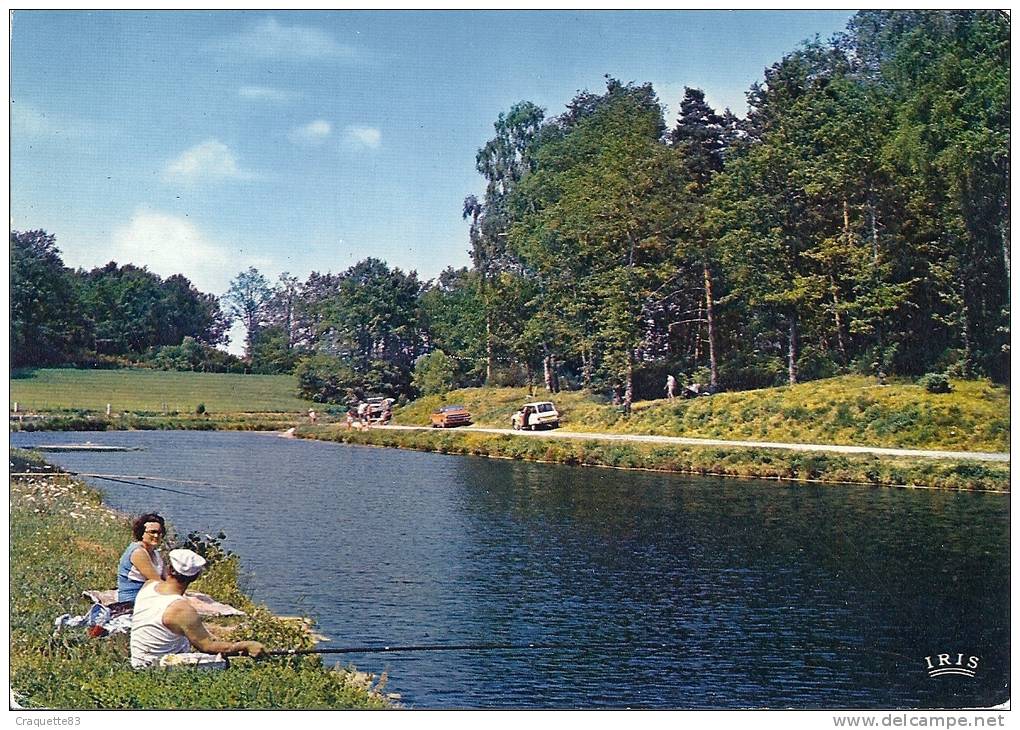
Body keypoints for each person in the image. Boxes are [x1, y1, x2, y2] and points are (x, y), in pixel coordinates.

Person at [130, 548, 264, 668]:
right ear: (195, 577)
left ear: (170, 569)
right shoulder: (181, 609)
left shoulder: (149, 585)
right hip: (156, 666)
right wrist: (244, 645)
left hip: (137, 660)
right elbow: (207, 646)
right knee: (223, 663)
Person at [117, 513, 167, 603]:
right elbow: (156, 581)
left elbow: (167, 579)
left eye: (159, 532)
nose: (156, 536)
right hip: (133, 601)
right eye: (152, 532)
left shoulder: (155, 553)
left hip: (149, 596)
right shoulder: (138, 552)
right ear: (142, 533)